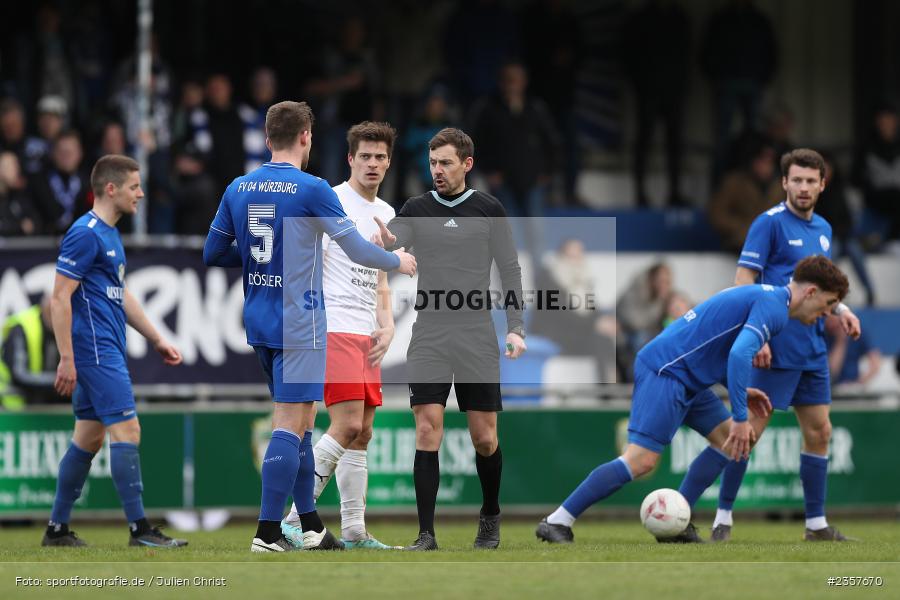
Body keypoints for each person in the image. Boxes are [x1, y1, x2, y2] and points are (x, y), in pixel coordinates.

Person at [202, 101, 416, 553]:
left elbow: (213, 254)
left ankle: (314, 527)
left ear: (265, 138)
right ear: (306, 138)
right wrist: (397, 260)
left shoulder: (238, 187)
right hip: (301, 321)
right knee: (291, 423)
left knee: (302, 428)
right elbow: (358, 250)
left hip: (258, 318)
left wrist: (266, 256)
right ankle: (267, 532)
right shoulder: (314, 188)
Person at [536, 256, 850, 544]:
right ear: (810, 292)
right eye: (829, 303)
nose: (827, 314)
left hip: (688, 375)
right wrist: (740, 416)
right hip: (668, 371)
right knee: (641, 461)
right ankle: (557, 521)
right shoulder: (775, 308)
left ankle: (677, 523)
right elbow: (740, 354)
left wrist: (741, 391)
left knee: (729, 441)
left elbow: (719, 346)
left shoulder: (769, 297)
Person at [374, 127, 527, 551]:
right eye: (433, 163)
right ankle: (426, 534)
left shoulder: (489, 209)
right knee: (427, 429)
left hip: (477, 332)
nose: (437, 170)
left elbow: (510, 270)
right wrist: (387, 244)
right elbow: (392, 240)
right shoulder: (417, 208)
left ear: (467, 164)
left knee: (485, 437)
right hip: (431, 333)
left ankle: (490, 515)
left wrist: (515, 326)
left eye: (445, 163)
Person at [707, 149, 862, 543]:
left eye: (811, 181)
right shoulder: (768, 224)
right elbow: (743, 282)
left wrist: (840, 308)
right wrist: (753, 334)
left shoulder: (825, 228)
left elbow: (818, 286)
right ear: (784, 183)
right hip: (773, 344)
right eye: (797, 180)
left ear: (822, 185)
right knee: (747, 435)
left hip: (812, 348)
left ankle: (815, 524)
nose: (804, 187)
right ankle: (722, 517)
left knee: (820, 430)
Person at [43, 155, 187, 548]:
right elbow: (59, 298)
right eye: (134, 187)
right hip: (94, 351)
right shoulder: (85, 233)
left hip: (106, 349)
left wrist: (156, 338)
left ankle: (56, 530)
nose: (141, 194)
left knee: (88, 439)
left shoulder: (109, 235)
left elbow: (119, 295)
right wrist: (68, 357)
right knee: (128, 430)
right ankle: (140, 530)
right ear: (111, 189)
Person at [281, 121, 400, 549]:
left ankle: (353, 530)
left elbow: (380, 279)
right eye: (364, 156)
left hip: (366, 333)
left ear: (389, 162)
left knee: (363, 431)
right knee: (346, 423)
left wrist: (385, 325)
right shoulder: (331, 201)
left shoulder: (385, 213)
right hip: (334, 327)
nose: (372, 163)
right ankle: (295, 520)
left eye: (380, 156)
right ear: (350, 159)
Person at [0, 297, 60, 409]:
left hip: (49, 406)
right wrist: (60, 381)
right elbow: (19, 374)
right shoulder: (23, 326)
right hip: (13, 406)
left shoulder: (70, 328)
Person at [824, 315, 882, 389]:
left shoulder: (856, 331)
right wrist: (840, 342)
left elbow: (875, 363)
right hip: (830, 388)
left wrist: (858, 383)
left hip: (852, 388)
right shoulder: (822, 335)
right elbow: (831, 372)